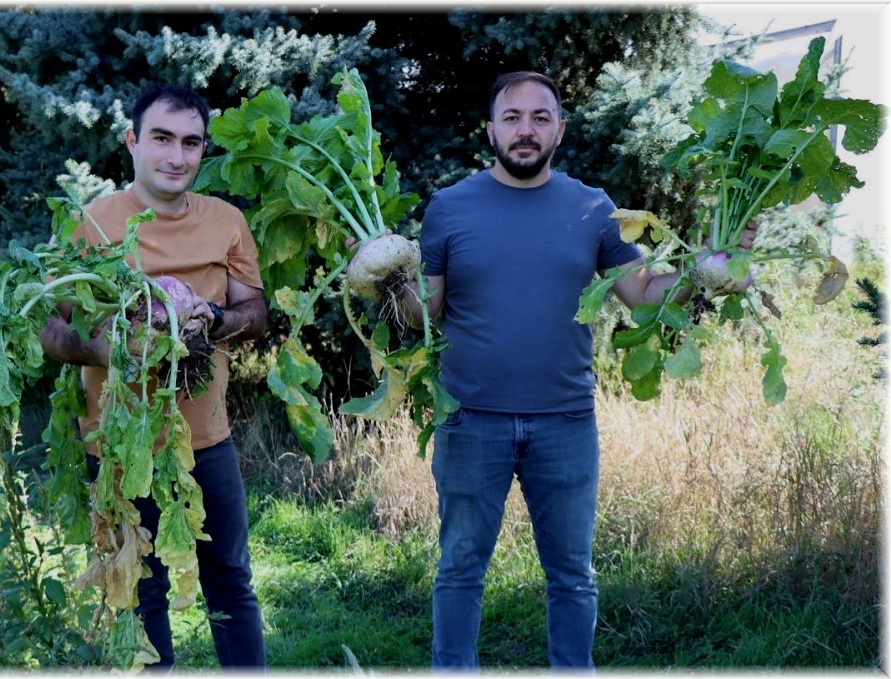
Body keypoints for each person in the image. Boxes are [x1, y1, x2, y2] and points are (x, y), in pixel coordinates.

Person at [355, 72, 757, 670]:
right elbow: (426, 314)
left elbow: (645, 295)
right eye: (512, 117)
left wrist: (715, 268)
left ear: (560, 130)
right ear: (489, 129)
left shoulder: (593, 207)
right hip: (469, 418)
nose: (525, 130)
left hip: (565, 422)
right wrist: (384, 278)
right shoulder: (449, 207)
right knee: (460, 568)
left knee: (572, 574)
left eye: (540, 118)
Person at [40, 84, 269, 670]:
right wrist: (108, 349)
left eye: (191, 143)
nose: (177, 156)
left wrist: (212, 320)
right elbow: (50, 332)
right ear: (133, 141)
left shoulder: (226, 222)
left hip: (206, 443)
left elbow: (255, 316)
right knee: (138, 591)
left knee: (231, 582)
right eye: (162, 138)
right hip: (117, 442)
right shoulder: (89, 224)